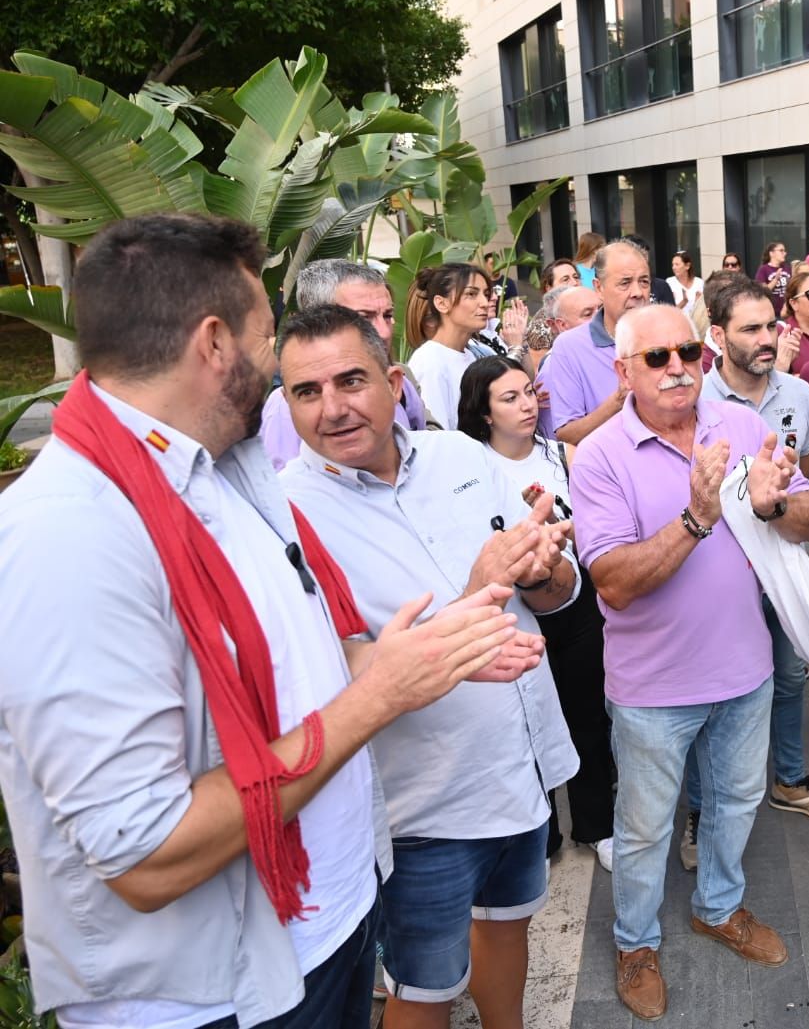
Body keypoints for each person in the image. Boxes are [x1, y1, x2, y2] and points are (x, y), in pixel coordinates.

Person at [0, 213, 526, 1027]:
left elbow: (306, 659)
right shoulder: (68, 533)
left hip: (332, 924)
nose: (282, 378)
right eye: (267, 337)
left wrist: (417, 657)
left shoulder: (228, 469)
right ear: (215, 343)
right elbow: (145, 853)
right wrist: (380, 695)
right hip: (220, 995)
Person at [278, 305, 579, 1028]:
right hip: (423, 806)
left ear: (393, 379)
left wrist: (541, 571)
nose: (333, 407)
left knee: (511, 923)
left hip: (519, 763)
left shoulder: (461, 457)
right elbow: (324, 679)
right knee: (423, 985)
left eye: (351, 379)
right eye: (306, 392)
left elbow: (560, 590)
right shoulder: (285, 513)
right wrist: (478, 591)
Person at [567, 304, 809, 1020]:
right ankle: (634, 943)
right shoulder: (599, 457)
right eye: (656, 357)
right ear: (624, 371)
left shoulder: (740, 425)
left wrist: (775, 507)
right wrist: (695, 518)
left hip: (747, 671)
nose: (677, 365)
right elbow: (613, 580)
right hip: (653, 689)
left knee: (738, 801)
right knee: (647, 827)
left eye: (686, 350)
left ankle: (718, 907)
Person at [677, 277, 809, 862]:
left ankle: (790, 778)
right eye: (750, 329)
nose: (766, 338)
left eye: (771, 325)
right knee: (715, 695)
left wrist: (781, 511)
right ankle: (700, 810)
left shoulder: (800, 394)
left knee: (791, 676)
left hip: (781, 566)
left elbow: (798, 477)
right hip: (717, 576)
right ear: (717, 337)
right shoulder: (694, 401)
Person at [459, 354, 617, 869]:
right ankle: (541, 833)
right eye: (510, 398)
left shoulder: (561, 453)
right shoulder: (470, 465)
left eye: (529, 392)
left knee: (588, 717)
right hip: (512, 616)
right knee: (524, 724)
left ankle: (598, 824)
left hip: (576, 607)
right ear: (483, 412)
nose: (527, 405)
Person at [260, 259, 430, 469]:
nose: (384, 332)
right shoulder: (283, 409)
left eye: (387, 315)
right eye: (363, 318)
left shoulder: (403, 383)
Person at [542, 240, 650, 444]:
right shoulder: (569, 347)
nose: (637, 292)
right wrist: (618, 401)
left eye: (644, 281)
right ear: (599, 288)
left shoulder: (668, 334)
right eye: (625, 282)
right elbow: (566, 435)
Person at [404, 263, 494, 429]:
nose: (484, 303)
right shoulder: (429, 361)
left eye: (486, 294)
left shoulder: (473, 354)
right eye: (471, 294)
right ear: (441, 303)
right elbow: (439, 435)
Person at [755, 241, 793, 315]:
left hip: (787, 311)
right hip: (772, 311)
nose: (785, 253)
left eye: (784, 251)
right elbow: (762, 291)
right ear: (771, 253)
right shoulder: (764, 269)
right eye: (781, 250)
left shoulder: (787, 268)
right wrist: (776, 279)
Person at [669, 250, 703, 315]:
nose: (673, 267)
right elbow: (669, 312)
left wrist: (697, 304)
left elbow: (702, 311)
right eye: (673, 264)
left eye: (677, 264)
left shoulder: (699, 283)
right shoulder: (670, 282)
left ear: (687, 266)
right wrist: (683, 302)